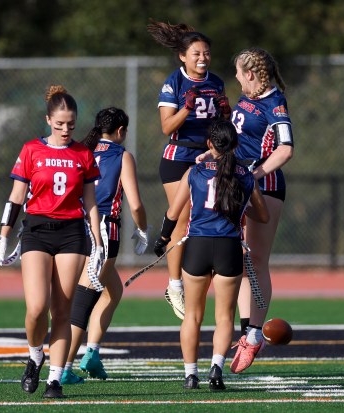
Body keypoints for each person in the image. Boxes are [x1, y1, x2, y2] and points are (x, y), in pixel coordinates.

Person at [0, 85, 103, 399]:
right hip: (37, 230)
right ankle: (34, 356)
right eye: (59, 124)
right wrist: (3, 234)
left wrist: (98, 240)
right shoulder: (31, 150)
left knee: (62, 310)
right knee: (37, 308)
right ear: (47, 120)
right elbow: (16, 196)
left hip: (71, 233)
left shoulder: (83, 153)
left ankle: (54, 380)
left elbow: (90, 201)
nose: (65, 129)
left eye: (70, 124)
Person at [153, 119, 268, 390]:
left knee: (193, 315)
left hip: (198, 247)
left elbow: (173, 213)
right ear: (235, 144)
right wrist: (239, 206)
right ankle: (216, 368)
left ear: (209, 144)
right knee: (225, 317)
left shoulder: (194, 172)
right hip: (229, 248)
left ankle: (190, 374)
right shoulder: (245, 175)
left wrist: (161, 240)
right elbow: (262, 215)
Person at [146, 19, 231, 321]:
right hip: (179, 156)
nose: (202, 58)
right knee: (181, 217)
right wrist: (187, 107)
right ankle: (174, 285)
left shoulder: (217, 82)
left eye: (206, 53)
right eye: (196, 53)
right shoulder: (174, 82)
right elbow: (166, 127)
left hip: (210, 156)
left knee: (211, 215)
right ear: (183, 56)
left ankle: (209, 274)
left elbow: (225, 125)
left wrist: (226, 111)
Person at [61, 107, 148, 385]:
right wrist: (143, 229)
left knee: (113, 291)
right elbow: (134, 204)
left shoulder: (80, 151)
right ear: (121, 131)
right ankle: (63, 367)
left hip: (75, 229)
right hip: (104, 230)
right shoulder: (122, 156)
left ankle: (92, 355)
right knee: (83, 301)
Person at [229, 48, 295, 374]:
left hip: (263, 187)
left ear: (251, 74)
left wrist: (255, 174)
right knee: (241, 261)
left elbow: (286, 148)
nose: (237, 78)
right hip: (238, 183)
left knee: (255, 259)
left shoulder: (274, 102)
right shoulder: (248, 98)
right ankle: (249, 331)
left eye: (240, 73)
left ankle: (254, 334)